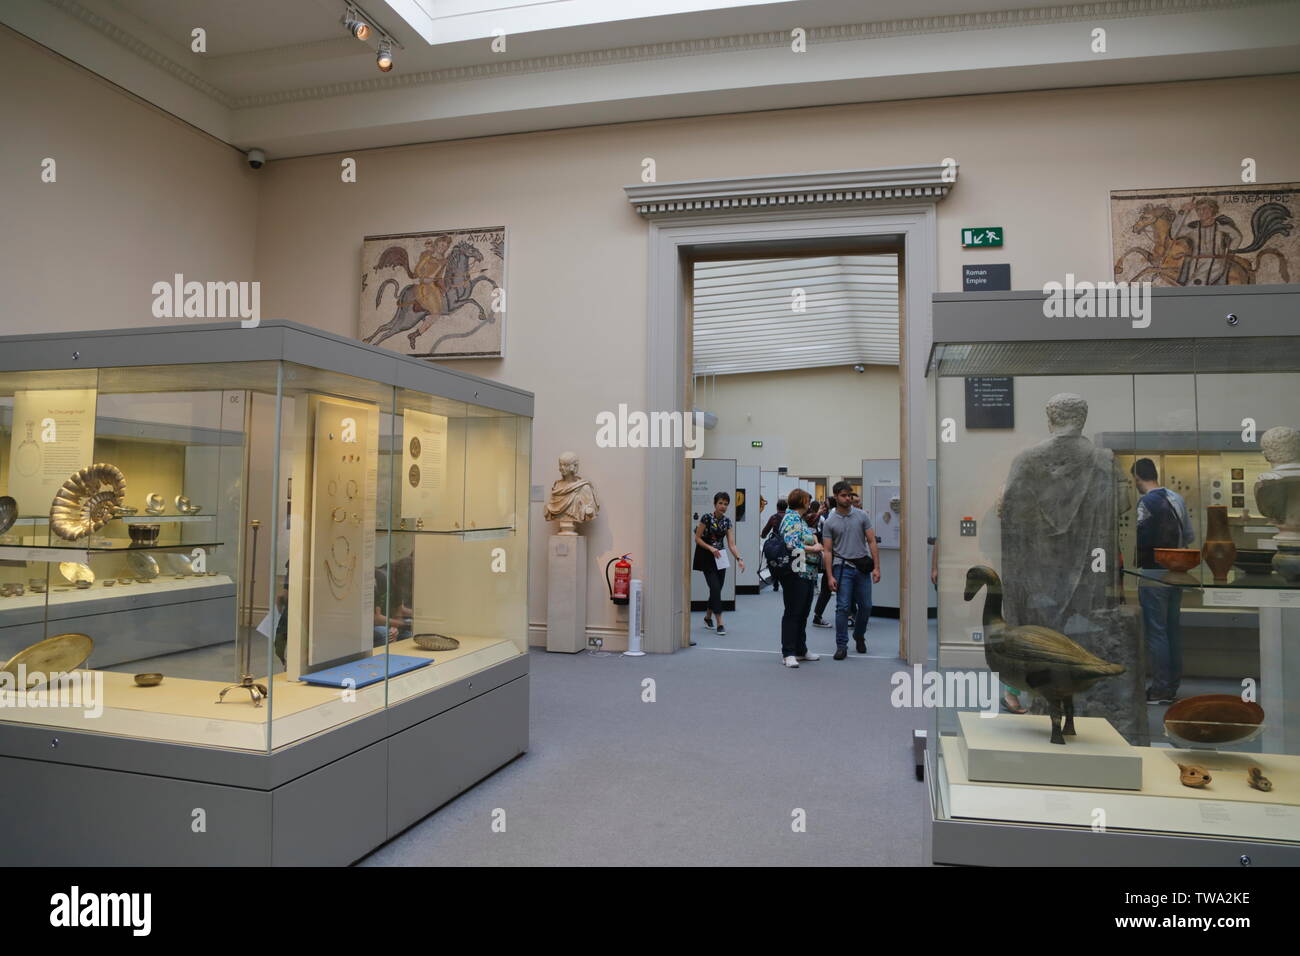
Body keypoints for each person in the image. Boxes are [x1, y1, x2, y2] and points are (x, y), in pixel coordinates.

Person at [1132, 458, 1194, 705]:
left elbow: (1143, 539)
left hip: (1153, 571)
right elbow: (1189, 535)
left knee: (1156, 632)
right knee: (1171, 630)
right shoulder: (1176, 497)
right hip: (1176, 570)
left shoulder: (1146, 501)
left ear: (1137, 477)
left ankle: (1160, 689)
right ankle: (1172, 685)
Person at [823, 480, 881, 660]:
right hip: (842, 568)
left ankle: (859, 634)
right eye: (843, 495)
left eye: (849, 495)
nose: (848, 498)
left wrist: (877, 567)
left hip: (862, 568)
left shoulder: (862, 516)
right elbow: (827, 551)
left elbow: (871, 541)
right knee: (843, 607)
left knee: (866, 606)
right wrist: (829, 576)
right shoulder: (830, 522)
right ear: (836, 497)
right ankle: (842, 645)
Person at [774, 488, 823, 668]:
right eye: (807, 499)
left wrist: (814, 542)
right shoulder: (791, 518)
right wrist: (815, 548)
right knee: (793, 612)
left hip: (806, 571)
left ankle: (801, 649)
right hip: (796, 572)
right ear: (801, 501)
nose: (809, 502)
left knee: (803, 613)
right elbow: (792, 544)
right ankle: (788, 652)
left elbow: (806, 538)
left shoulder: (799, 519)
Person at [694, 491, 744, 635]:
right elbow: (697, 538)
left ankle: (707, 617)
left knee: (716, 589)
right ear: (715, 504)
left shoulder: (727, 521)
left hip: (720, 558)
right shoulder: (706, 518)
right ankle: (720, 622)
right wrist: (710, 548)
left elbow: (732, 544)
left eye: (726, 504)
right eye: (720, 503)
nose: (723, 506)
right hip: (706, 557)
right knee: (715, 589)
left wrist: (739, 559)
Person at [760, 498, 788, 592]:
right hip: (786, 544)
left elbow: (765, 531)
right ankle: (784, 582)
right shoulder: (788, 517)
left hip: (775, 545)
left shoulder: (774, 517)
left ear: (777, 507)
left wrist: (763, 535)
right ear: (786, 507)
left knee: (771, 561)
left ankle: (775, 581)